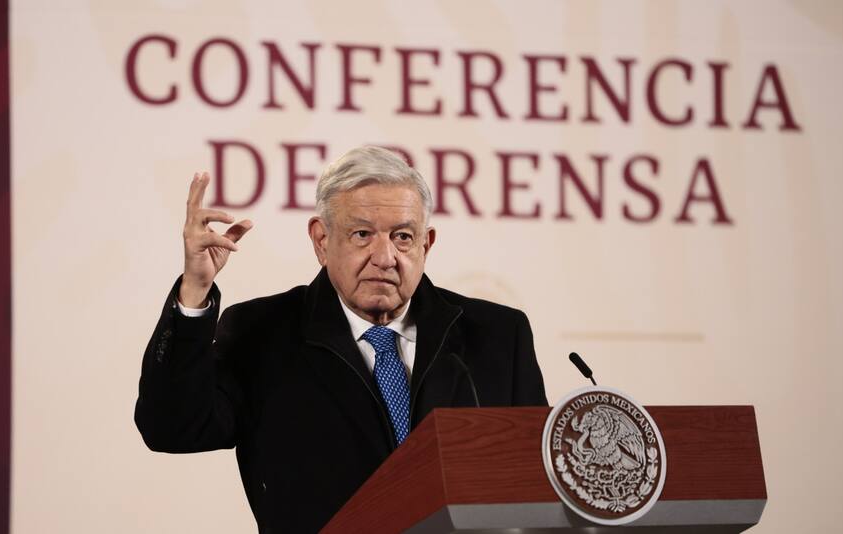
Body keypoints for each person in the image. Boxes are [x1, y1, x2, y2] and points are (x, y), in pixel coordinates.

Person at [135, 146, 547, 533]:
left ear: (427, 243)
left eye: (403, 237)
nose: (385, 258)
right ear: (321, 240)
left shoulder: (496, 336)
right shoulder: (262, 332)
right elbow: (172, 428)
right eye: (362, 235)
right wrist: (194, 289)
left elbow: (536, 486)